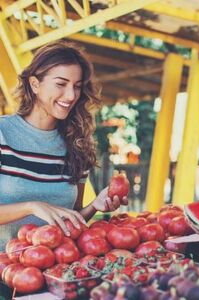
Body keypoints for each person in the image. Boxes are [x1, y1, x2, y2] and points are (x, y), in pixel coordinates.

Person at [0, 41, 128, 250]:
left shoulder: (78, 145)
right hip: (5, 272)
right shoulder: (2, 133)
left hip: (51, 273)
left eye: (77, 86)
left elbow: (70, 222)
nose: (71, 96)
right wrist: (31, 207)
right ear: (35, 84)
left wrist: (94, 206)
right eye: (61, 84)